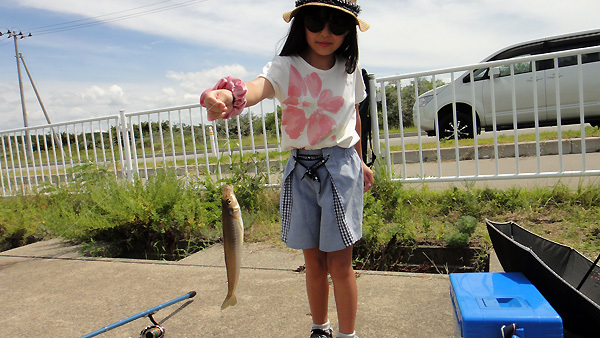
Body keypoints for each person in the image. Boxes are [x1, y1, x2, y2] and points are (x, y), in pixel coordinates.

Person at [200, 1, 373, 337]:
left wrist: (361, 159)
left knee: (340, 264)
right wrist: (222, 94)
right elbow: (255, 89)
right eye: (315, 21)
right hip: (301, 168)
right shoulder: (286, 66)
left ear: (349, 31)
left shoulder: (350, 67)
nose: (325, 32)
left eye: (337, 25)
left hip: (341, 166)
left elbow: (353, 116)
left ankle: (347, 334)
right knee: (314, 263)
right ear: (300, 24)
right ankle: (320, 328)